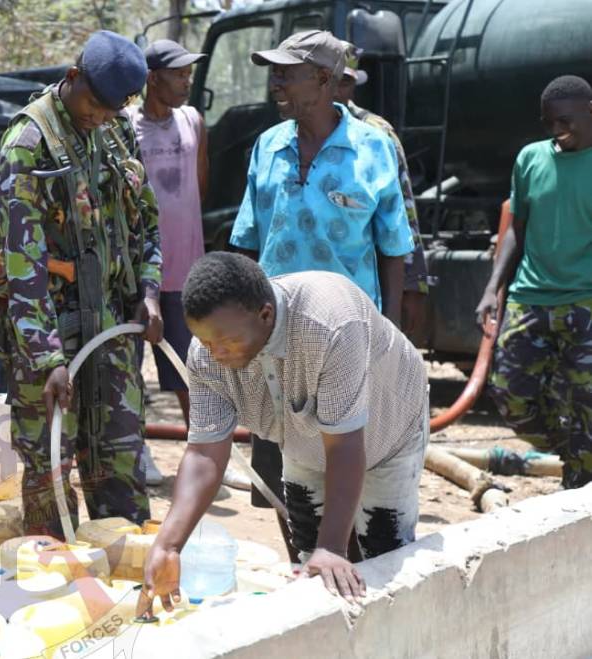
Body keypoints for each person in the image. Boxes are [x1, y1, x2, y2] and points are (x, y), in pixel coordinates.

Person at [138, 253, 428, 610]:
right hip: (305, 440)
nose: (216, 353)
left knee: (383, 558)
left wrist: (332, 548)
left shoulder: (330, 324)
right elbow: (203, 454)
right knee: (313, 565)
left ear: (265, 315)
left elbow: (344, 446)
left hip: (388, 432)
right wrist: (168, 545)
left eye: (225, 342)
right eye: (206, 341)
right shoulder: (208, 352)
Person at [228, 30, 414, 561]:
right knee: (287, 476)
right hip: (276, 343)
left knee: (350, 462)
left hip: (348, 342)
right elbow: (246, 243)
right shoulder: (268, 146)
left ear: (326, 79)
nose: (276, 81)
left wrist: (391, 336)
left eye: (287, 72)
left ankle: (351, 570)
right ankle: (306, 566)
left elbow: (394, 250)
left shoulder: (372, 149)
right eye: (274, 71)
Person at [0, 30, 163, 537]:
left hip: (111, 333)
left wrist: (150, 291)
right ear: (72, 77)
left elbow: (147, 222)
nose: (99, 117)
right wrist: (47, 360)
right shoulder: (28, 143)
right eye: (94, 104)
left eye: (112, 109)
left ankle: (126, 573)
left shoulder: (117, 131)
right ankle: (55, 579)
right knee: (50, 481)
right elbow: (23, 264)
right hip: (48, 338)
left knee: (121, 473)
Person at [478, 75, 592, 490]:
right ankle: (577, 451)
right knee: (510, 395)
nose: (556, 130)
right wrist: (492, 288)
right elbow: (516, 228)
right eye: (548, 123)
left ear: (589, 111)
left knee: (585, 403)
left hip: (585, 301)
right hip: (530, 297)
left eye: (564, 121)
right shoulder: (530, 158)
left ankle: (579, 482)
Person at [123, 39, 208, 486]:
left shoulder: (193, 121)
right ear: (152, 78)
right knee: (130, 368)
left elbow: (199, 185)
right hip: (139, 274)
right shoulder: (124, 125)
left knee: (191, 369)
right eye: (178, 74)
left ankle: (204, 456)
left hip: (185, 271)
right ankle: (138, 454)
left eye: (188, 74)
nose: (186, 82)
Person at [334, 42, 430, 338]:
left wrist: (413, 284)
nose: (336, 90)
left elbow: (403, 211)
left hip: (368, 282)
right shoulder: (288, 134)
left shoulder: (376, 134)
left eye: (344, 82)